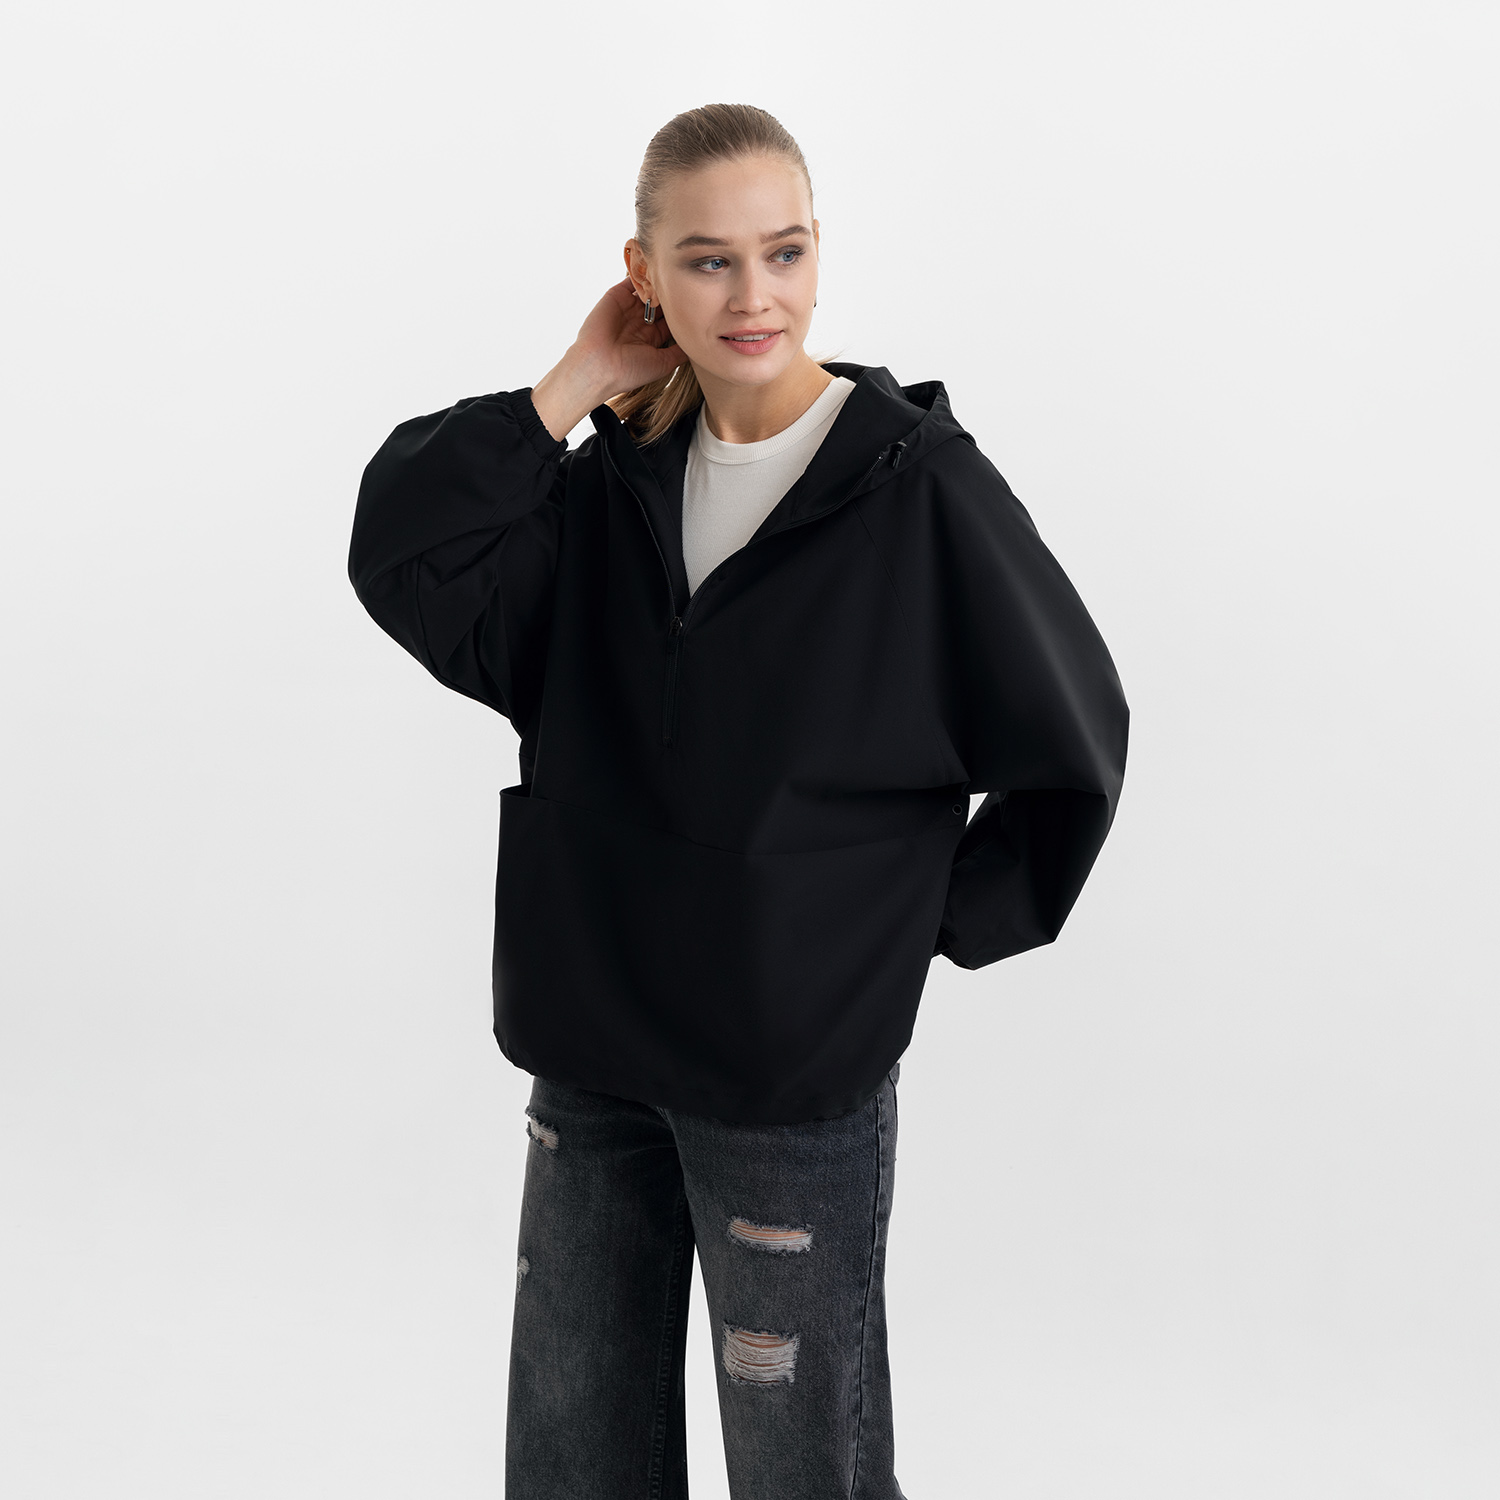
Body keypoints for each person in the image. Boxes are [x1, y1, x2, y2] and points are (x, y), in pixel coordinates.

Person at [349, 102, 1127, 1500]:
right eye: (707, 261)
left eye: (783, 252)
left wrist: (893, 931)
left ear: (820, 251)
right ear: (643, 274)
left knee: (800, 1472)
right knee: (573, 1459)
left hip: (787, 1083)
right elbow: (405, 547)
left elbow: (1076, 743)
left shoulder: (917, 491)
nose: (753, 295)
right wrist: (579, 379)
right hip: (593, 1050)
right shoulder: (608, 483)